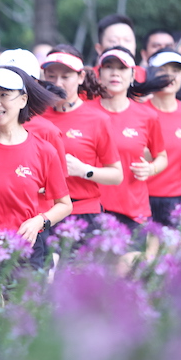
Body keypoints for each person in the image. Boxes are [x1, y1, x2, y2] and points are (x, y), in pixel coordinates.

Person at [0, 67, 71, 270]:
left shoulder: (44, 151)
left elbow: (64, 204)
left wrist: (40, 221)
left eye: (4, 95)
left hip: (24, 247)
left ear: (23, 100)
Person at [89, 47, 167, 253]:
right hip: (92, 209)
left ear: (132, 75)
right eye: (108, 67)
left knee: (128, 278)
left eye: (122, 68)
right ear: (99, 73)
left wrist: (150, 169)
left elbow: (162, 157)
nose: (115, 73)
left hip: (132, 210)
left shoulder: (146, 116)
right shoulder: (85, 112)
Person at [39, 45, 122, 233]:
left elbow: (116, 175)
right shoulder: (36, 115)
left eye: (66, 77)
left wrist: (85, 170)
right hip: (43, 214)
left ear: (81, 77)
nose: (58, 83)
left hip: (83, 214)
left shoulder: (97, 120)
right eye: (51, 76)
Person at [143, 49, 181, 230]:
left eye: (175, 71)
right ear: (151, 74)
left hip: (180, 199)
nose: (170, 76)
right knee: (148, 256)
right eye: (163, 70)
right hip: (143, 198)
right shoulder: (138, 114)